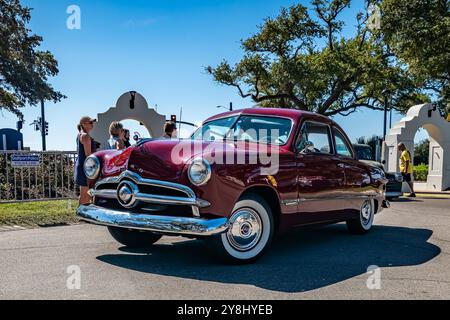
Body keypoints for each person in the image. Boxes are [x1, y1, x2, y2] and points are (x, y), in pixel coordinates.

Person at [74, 116, 97, 205]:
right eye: (90, 122)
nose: (92, 124)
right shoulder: (85, 136)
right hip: (86, 168)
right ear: (83, 124)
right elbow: (89, 155)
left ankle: (82, 213)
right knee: (85, 194)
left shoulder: (80, 135)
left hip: (82, 166)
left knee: (85, 194)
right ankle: (81, 214)